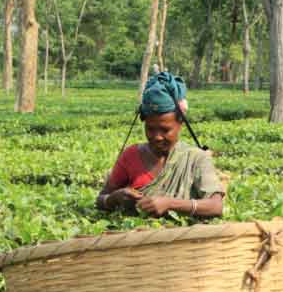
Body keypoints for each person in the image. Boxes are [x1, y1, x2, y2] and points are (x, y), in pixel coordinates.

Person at [96, 71, 224, 219]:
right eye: (150, 128)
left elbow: (216, 206)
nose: (157, 137)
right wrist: (113, 199)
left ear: (180, 123)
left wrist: (170, 204)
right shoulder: (130, 156)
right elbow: (100, 199)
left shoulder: (196, 158)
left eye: (165, 130)